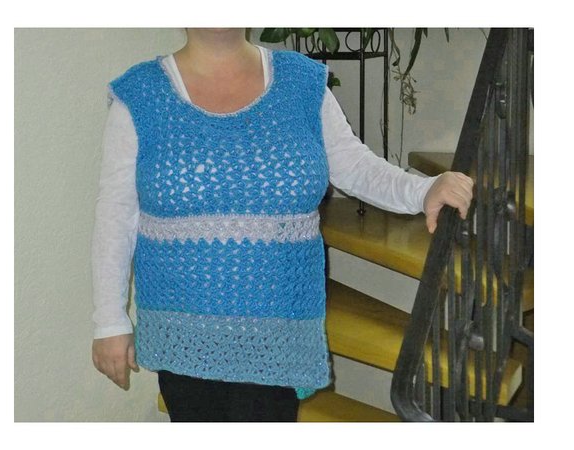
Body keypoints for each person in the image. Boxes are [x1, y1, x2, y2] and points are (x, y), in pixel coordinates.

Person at [91, 28, 473, 422]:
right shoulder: (140, 95)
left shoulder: (301, 82)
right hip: (184, 334)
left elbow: (355, 166)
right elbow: (116, 214)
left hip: (278, 332)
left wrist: (423, 190)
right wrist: (109, 320)